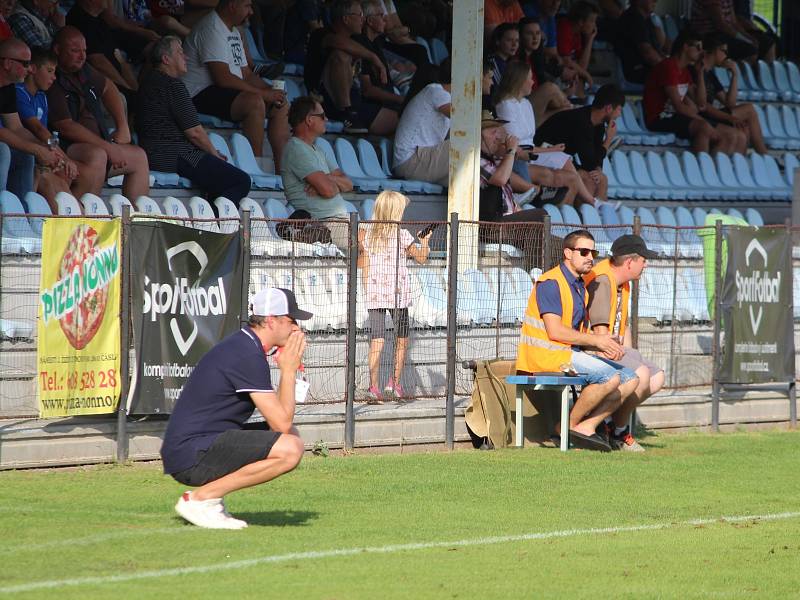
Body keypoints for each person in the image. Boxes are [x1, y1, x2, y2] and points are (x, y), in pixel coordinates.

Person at [161, 287, 310, 529]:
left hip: (202, 443)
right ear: (272, 321)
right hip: (191, 453)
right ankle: (200, 499)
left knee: (291, 437)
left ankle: (209, 499)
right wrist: (289, 370)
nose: (296, 329)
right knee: (290, 448)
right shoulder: (245, 354)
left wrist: (287, 367)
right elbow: (280, 422)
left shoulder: (246, 346)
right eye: (292, 321)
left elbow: (282, 421)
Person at [516, 229, 639, 451]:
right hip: (545, 357)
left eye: (593, 252)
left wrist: (603, 344)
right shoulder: (550, 282)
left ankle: (585, 426)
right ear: (567, 253)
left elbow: (575, 334)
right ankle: (566, 426)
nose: (590, 257)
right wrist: (597, 342)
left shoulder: (580, 285)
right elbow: (555, 332)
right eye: (584, 252)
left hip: (568, 353)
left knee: (630, 379)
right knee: (609, 377)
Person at [137, 36, 251, 204]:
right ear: (166, 59)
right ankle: (215, 224)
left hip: (151, 154)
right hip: (175, 155)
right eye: (180, 52)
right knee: (240, 181)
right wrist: (214, 154)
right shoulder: (172, 85)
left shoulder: (146, 83)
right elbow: (195, 132)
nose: (186, 57)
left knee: (217, 181)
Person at [48, 27, 151, 201]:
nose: (82, 56)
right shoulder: (52, 76)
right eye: (74, 51)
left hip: (98, 144)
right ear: (57, 50)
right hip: (64, 147)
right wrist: (108, 147)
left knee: (139, 157)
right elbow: (66, 126)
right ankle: (90, 219)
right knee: (98, 155)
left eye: (84, 51)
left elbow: (109, 87)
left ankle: (137, 223)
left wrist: (122, 126)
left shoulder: (83, 69)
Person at [182, 0, 289, 167]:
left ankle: (282, 168)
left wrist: (269, 90)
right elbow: (222, 78)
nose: (251, 12)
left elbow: (245, 73)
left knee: (280, 103)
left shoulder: (234, 30)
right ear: (232, 5)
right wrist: (263, 94)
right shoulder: (212, 28)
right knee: (254, 102)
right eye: (247, 6)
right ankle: (255, 165)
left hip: (217, 90)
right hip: (195, 94)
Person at [585, 234, 663, 451]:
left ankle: (614, 426)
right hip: (595, 350)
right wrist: (626, 359)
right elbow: (599, 333)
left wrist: (630, 353)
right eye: (643, 259)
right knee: (642, 374)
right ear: (630, 262)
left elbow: (622, 324)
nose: (645, 264)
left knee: (657, 376)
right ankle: (613, 428)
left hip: (614, 347)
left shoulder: (623, 284)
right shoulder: (602, 280)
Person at [357, 190, 431, 402]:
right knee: (402, 339)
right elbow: (422, 258)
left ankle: (373, 387)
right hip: (397, 294)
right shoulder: (402, 234)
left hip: (375, 292)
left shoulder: (367, 234)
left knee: (377, 339)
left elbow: (363, 262)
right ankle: (394, 383)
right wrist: (424, 242)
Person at [494, 61, 595, 207]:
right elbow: (518, 146)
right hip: (519, 157)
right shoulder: (505, 106)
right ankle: (589, 204)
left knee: (566, 161)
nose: (533, 82)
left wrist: (556, 112)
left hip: (531, 152)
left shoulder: (526, 103)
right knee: (570, 177)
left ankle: (585, 206)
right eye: (530, 78)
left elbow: (530, 134)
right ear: (520, 80)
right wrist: (549, 150)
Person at [16, 47, 107, 209]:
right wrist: (64, 158)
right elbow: (38, 130)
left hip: (44, 152)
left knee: (83, 175)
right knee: (55, 183)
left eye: (55, 72)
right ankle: (63, 215)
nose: (54, 77)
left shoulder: (42, 97)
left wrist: (60, 157)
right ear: (33, 70)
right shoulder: (19, 92)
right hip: (27, 154)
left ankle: (73, 210)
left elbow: (44, 135)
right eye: (49, 71)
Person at [303, 0, 397, 135]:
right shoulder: (321, 34)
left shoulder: (356, 42)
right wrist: (373, 58)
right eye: (360, 15)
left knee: (403, 120)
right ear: (346, 19)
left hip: (357, 104)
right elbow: (337, 41)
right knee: (341, 55)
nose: (363, 19)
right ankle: (348, 113)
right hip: (328, 103)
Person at [280, 96, 353, 249]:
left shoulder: (318, 149)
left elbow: (349, 184)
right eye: (321, 116)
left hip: (339, 222)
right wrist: (331, 183)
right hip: (324, 223)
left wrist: (327, 177)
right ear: (309, 120)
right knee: (368, 248)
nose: (326, 119)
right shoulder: (296, 149)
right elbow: (328, 190)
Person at [533, 83, 625, 203]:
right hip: (544, 153)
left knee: (601, 179)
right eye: (619, 110)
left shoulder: (599, 124)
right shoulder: (581, 121)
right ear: (608, 108)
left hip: (562, 158)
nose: (619, 114)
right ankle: (584, 216)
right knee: (587, 179)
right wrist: (608, 141)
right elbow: (588, 163)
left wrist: (598, 170)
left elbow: (594, 160)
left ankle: (597, 215)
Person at [0, 38, 61, 200]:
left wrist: (44, 149)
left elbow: (16, 128)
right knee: (3, 151)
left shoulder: (7, 88)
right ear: (7, 63)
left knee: (25, 155)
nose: (29, 69)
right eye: (25, 64)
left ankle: (21, 216)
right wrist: (36, 149)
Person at [643, 33, 722, 154]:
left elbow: (701, 104)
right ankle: (701, 169)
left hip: (676, 116)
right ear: (685, 46)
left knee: (734, 135)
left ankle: (715, 170)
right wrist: (704, 121)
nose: (701, 52)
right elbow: (678, 107)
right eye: (698, 47)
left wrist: (700, 73)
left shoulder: (685, 72)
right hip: (660, 117)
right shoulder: (668, 66)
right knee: (704, 128)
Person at [694, 33, 768, 155]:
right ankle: (764, 156)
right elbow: (703, 106)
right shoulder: (695, 71)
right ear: (715, 50)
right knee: (748, 110)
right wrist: (731, 118)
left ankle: (738, 167)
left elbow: (730, 103)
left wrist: (734, 75)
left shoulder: (710, 75)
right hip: (701, 116)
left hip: (711, 115)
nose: (726, 56)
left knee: (744, 128)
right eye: (724, 51)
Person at [66, 0, 147, 95]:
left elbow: (120, 59)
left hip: (125, 81)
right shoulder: (79, 21)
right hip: (109, 90)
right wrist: (129, 91)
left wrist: (135, 90)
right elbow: (99, 63)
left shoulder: (101, 20)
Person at [392, 60, 450, 187]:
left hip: (422, 159)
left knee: (475, 178)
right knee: (464, 146)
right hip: (409, 161)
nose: (491, 82)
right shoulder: (436, 91)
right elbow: (465, 121)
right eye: (489, 78)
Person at [517, 16, 572, 124]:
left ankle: (570, 107)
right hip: (523, 112)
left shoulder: (536, 59)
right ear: (521, 36)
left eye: (537, 33)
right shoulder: (516, 61)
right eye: (529, 33)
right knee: (549, 88)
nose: (535, 37)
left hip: (538, 110)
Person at [352, 1, 404, 110]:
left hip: (389, 101)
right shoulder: (361, 45)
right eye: (381, 15)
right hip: (375, 107)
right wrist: (400, 99)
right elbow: (368, 90)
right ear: (370, 21)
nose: (385, 19)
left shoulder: (377, 41)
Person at [690, 0, 761, 64]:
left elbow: (734, 22)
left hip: (723, 34)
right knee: (750, 50)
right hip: (707, 36)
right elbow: (721, 25)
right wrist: (745, 40)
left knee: (762, 45)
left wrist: (749, 38)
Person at [614, 0, 666, 85]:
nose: (655, 1)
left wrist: (658, 26)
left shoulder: (646, 18)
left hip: (647, 68)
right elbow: (648, 53)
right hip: (637, 71)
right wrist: (669, 67)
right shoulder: (633, 18)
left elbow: (660, 45)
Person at [556, 0, 598, 98]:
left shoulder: (578, 34)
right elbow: (566, 61)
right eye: (592, 21)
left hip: (567, 75)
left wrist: (590, 39)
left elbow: (582, 66)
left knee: (580, 77)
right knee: (579, 78)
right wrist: (587, 75)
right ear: (581, 22)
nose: (594, 25)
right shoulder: (565, 27)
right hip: (555, 72)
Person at [487, 22, 519, 88]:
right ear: (497, 41)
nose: (514, 44)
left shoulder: (509, 62)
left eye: (517, 40)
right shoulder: (492, 63)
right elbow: (502, 91)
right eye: (509, 40)